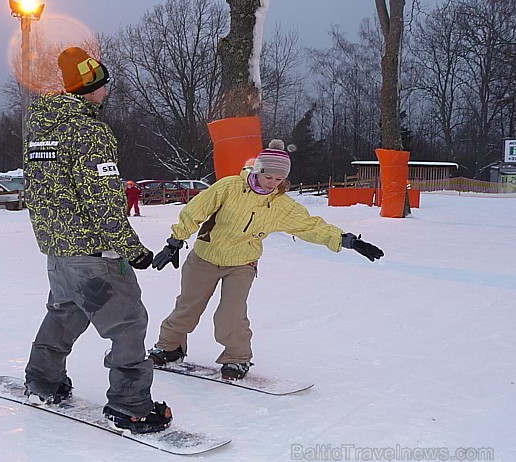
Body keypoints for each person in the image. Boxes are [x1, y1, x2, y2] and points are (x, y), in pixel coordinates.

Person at [22, 46, 172, 434]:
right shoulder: (87, 131)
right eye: (102, 85)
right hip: (93, 253)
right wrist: (133, 250)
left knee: (65, 313)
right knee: (127, 324)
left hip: (58, 251)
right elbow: (104, 200)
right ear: (86, 88)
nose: (106, 93)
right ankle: (130, 404)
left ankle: (43, 380)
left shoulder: (40, 129)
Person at [148, 140, 384, 380]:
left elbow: (310, 226)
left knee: (231, 313)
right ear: (258, 170)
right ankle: (169, 347)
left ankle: (237, 358)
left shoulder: (280, 205)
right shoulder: (229, 187)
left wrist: (347, 240)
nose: (272, 184)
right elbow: (195, 210)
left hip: (242, 263)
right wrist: (175, 241)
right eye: (268, 177)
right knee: (188, 305)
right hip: (205, 257)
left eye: (279, 180)